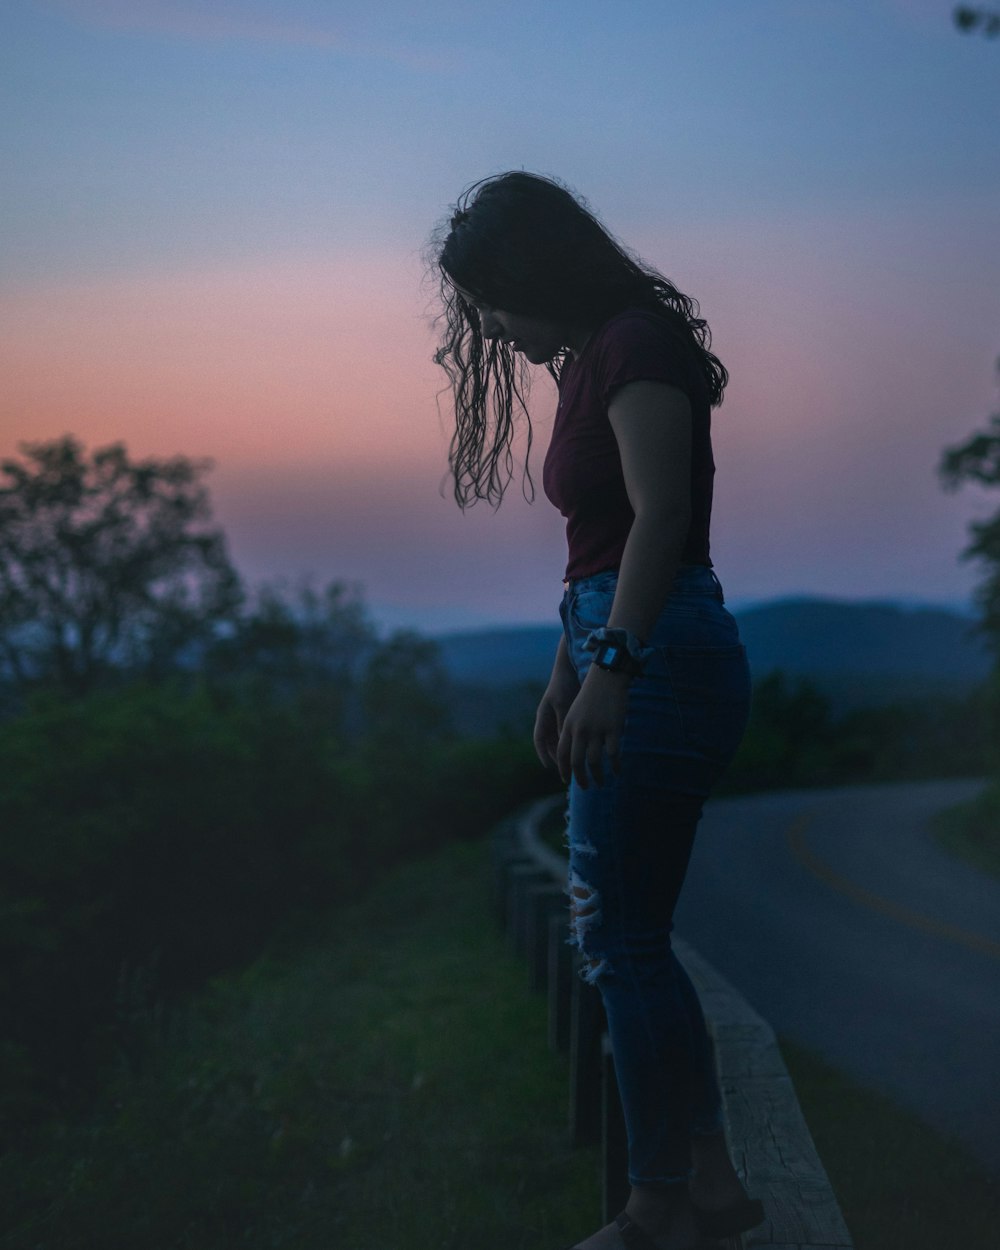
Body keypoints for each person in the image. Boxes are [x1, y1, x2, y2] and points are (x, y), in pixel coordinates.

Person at [430, 171, 762, 1250]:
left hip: (659, 654)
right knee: (631, 940)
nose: (482, 323)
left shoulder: (636, 343)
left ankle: (659, 1200)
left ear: (532, 271)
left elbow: (665, 517)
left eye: (488, 297)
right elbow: (602, 543)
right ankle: (704, 1178)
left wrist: (612, 663)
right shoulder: (590, 360)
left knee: (619, 941)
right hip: (619, 645)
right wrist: (565, 666)